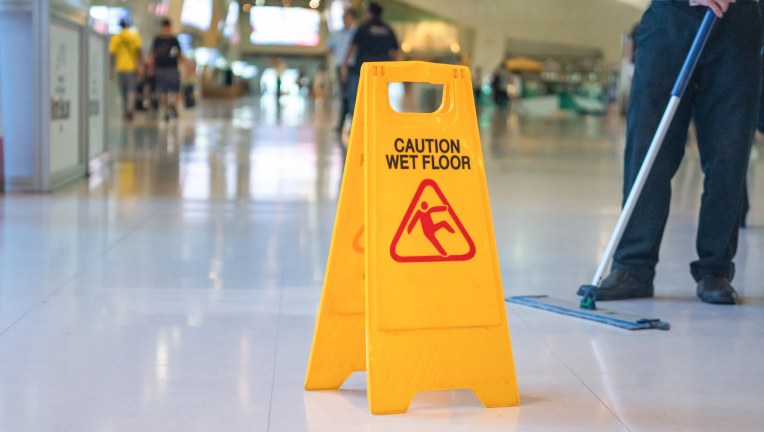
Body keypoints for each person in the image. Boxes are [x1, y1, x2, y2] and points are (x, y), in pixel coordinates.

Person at [591, 0, 762, 305]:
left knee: (729, 153)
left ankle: (716, 270)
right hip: (670, 20)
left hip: (739, 22)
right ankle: (633, 267)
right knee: (649, 151)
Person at [342, 1, 399, 122]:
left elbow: (352, 47)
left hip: (362, 70)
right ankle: (376, 122)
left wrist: (344, 65)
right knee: (379, 99)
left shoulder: (363, 27)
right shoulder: (388, 29)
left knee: (356, 98)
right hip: (382, 72)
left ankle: (358, 123)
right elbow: (395, 52)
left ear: (370, 13)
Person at [148, 18, 186, 121]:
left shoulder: (166, 40)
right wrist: (150, 67)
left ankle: (170, 107)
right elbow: (153, 55)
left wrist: (150, 67)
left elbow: (153, 55)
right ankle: (169, 109)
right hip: (166, 68)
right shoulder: (168, 40)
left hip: (167, 68)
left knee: (172, 90)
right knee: (167, 90)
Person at [327, 7, 357, 131]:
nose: (345, 19)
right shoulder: (336, 34)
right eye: (343, 17)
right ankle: (342, 123)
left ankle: (353, 124)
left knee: (353, 95)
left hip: (354, 67)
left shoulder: (357, 33)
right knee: (343, 95)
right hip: (340, 67)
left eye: (347, 16)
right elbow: (328, 48)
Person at [109, 20, 143, 121]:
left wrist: (110, 69)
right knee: (131, 90)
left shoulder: (116, 38)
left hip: (120, 68)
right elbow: (138, 52)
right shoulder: (134, 36)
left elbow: (112, 55)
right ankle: (130, 110)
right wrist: (141, 65)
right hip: (131, 68)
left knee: (122, 92)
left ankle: (124, 112)